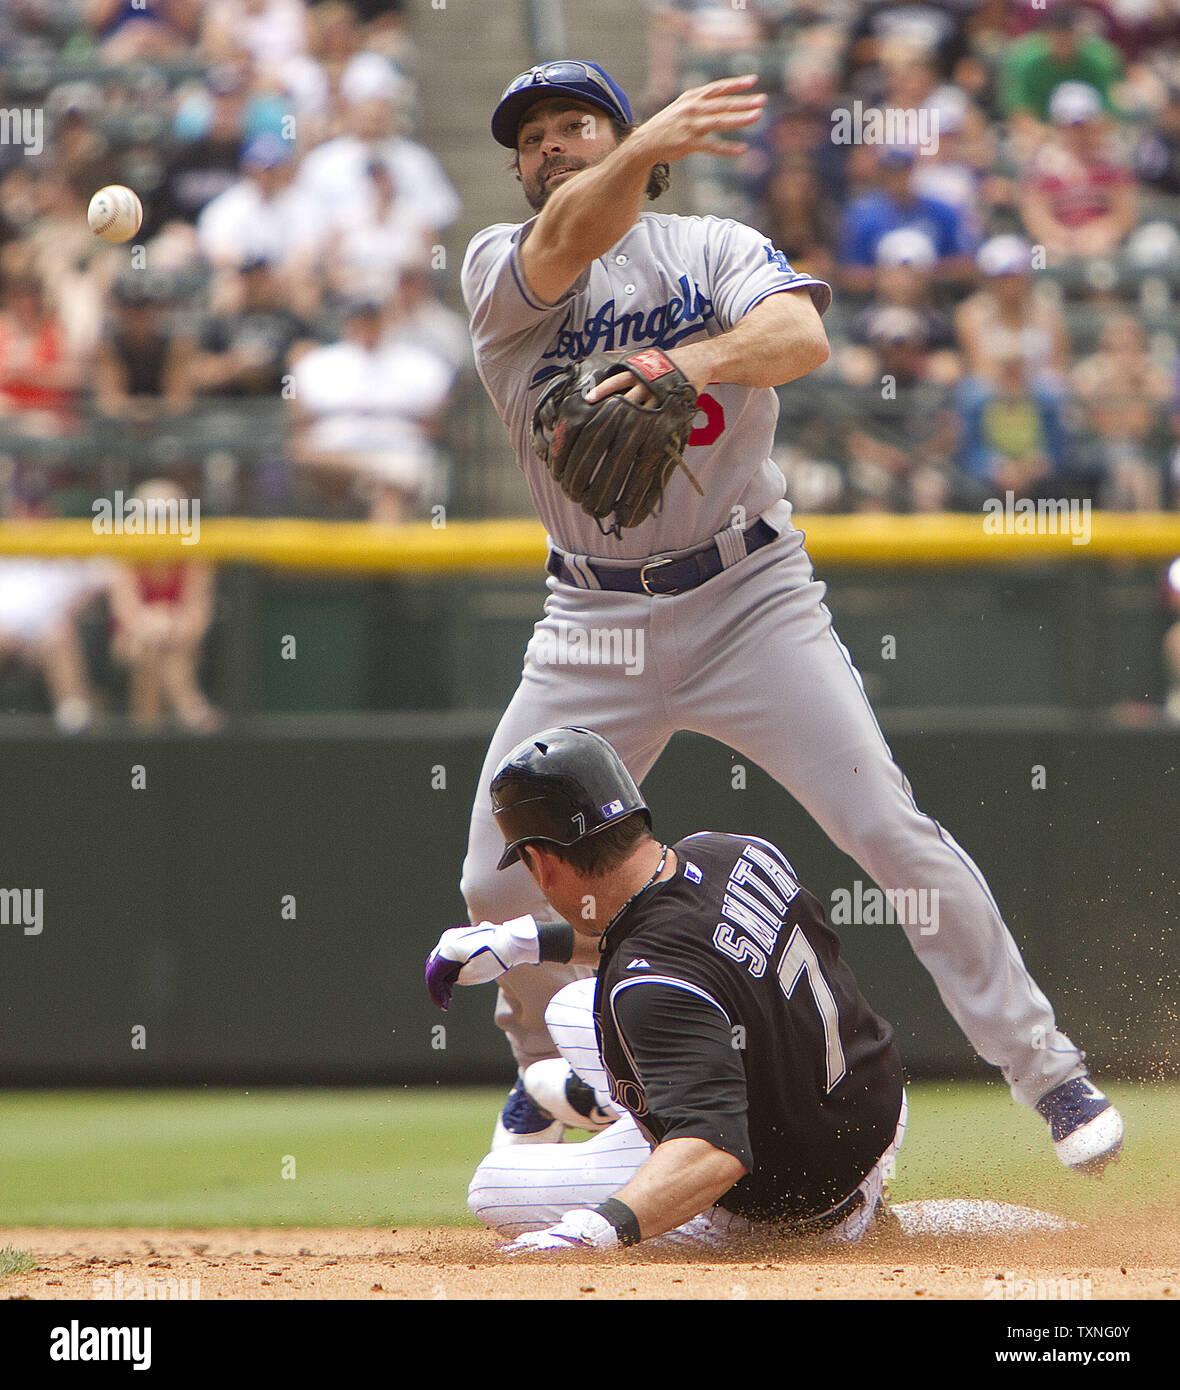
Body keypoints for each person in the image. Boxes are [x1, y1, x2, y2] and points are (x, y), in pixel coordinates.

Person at [456, 59, 1124, 1175]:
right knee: (492, 875)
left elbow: (800, 342)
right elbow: (571, 235)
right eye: (532, 138)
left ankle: (1047, 1070)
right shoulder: (499, 268)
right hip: (592, 618)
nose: (551, 148)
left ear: (645, 150)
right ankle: (543, 1065)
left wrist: (690, 361)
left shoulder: (709, 248)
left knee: (889, 830)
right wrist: (635, 146)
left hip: (747, 597)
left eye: (577, 124)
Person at [428, 727, 910, 1251]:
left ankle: (586, 1099)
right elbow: (665, 939)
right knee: (571, 1007)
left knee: (494, 1188)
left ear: (542, 862)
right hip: (865, 1112)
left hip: (789, 1207)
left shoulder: (651, 986)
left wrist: (592, 1231)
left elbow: (714, 1150)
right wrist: (519, 942)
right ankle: (586, 1095)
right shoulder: (733, 851)